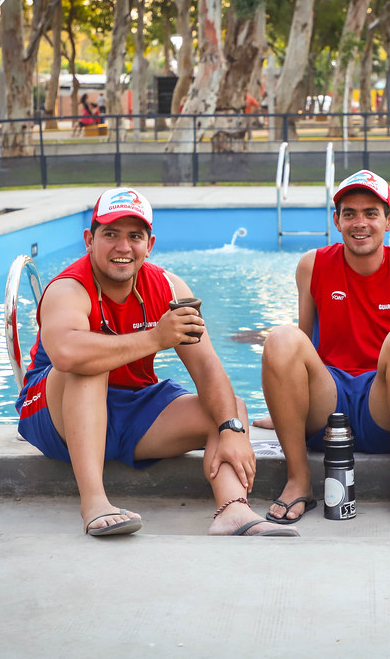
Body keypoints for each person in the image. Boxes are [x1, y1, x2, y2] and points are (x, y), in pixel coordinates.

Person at [15, 187, 298, 538]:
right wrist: (155, 338)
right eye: (111, 234)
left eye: (135, 236)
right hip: (55, 413)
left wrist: (231, 430)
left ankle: (233, 510)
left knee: (229, 408)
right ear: (89, 240)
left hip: (130, 409)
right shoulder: (69, 288)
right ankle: (95, 503)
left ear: (149, 245)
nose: (123, 247)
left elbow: (207, 368)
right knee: (90, 365)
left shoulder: (169, 287)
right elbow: (66, 354)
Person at [258, 169, 390, 530]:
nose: (360, 223)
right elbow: (300, 349)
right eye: (349, 213)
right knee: (281, 338)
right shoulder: (312, 264)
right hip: (329, 409)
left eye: (371, 213)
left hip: (387, 409)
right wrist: (286, 413)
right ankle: (298, 479)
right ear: (336, 221)